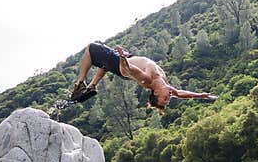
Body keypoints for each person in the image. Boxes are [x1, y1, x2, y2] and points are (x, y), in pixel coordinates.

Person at [69, 41, 217, 112]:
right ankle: (92, 86)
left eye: (165, 98)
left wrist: (122, 57)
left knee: (91, 48)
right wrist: (201, 96)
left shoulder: (147, 80)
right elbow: (182, 94)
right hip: (128, 60)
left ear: (156, 93)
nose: (170, 96)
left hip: (122, 65)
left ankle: (80, 83)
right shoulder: (166, 86)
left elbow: (130, 70)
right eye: (169, 99)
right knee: (103, 63)